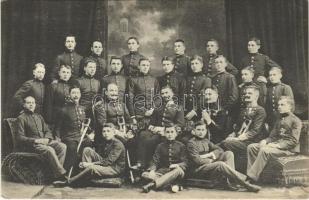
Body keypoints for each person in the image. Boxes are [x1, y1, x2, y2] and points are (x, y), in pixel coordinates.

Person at [186, 121, 261, 192]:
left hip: (208, 166)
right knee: (220, 164)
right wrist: (211, 160)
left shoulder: (206, 141)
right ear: (194, 131)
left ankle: (229, 182)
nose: (201, 132)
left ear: (206, 131)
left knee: (228, 153)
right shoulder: (191, 143)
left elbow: (219, 149)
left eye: (203, 130)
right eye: (198, 130)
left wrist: (211, 154)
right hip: (198, 170)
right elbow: (197, 161)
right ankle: (245, 184)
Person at [246, 96, 302, 183]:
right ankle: (254, 176)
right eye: (278, 105)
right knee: (251, 147)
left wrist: (277, 145)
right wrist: (265, 141)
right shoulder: (279, 119)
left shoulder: (296, 121)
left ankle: (251, 178)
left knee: (265, 150)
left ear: (290, 106)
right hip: (275, 146)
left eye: (282, 105)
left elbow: (293, 141)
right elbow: (272, 136)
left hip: (288, 150)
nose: (279, 106)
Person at [53, 123, 126, 187]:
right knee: (87, 150)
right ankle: (86, 178)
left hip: (114, 169)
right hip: (106, 164)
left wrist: (89, 164)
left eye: (108, 131)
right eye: (104, 131)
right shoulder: (106, 141)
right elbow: (101, 157)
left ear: (113, 133)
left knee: (92, 168)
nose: (106, 133)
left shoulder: (117, 144)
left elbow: (108, 162)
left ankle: (68, 182)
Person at [16, 96, 67, 182]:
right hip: (32, 145)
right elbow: (20, 137)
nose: (31, 105)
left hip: (44, 142)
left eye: (33, 103)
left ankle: (55, 174)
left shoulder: (39, 116)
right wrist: (35, 140)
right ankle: (60, 175)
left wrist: (47, 138)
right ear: (24, 105)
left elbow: (47, 130)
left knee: (62, 146)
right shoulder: (21, 118)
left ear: (35, 105)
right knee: (50, 149)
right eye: (29, 103)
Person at [136, 86, 185, 169]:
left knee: (151, 140)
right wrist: (153, 127)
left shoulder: (178, 107)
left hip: (169, 132)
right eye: (163, 93)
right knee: (143, 134)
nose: (165, 95)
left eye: (167, 93)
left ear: (172, 94)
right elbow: (152, 121)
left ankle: (148, 166)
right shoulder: (159, 107)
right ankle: (140, 162)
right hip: (156, 131)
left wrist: (163, 129)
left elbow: (180, 124)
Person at [221, 86, 266, 172]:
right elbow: (238, 127)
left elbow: (255, 131)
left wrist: (237, 139)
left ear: (256, 96)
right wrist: (233, 134)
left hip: (252, 142)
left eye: (250, 93)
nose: (246, 95)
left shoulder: (260, 111)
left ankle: (231, 173)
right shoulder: (243, 111)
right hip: (240, 141)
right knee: (224, 143)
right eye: (245, 93)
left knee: (226, 143)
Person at [55, 85, 94, 174]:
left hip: (81, 137)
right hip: (69, 137)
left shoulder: (82, 109)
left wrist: (91, 134)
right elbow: (58, 127)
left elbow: (86, 125)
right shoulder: (64, 110)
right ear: (69, 95)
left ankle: (85, 172)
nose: (76, 95)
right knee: (72, 148)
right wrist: (58, 138)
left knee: (88, 144)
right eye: (73, 93)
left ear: (80, 95)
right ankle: (69, 173)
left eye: (77, 93)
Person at [141, 125, 188, 193]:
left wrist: (177, 165)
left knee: (177, 171)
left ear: (176, 134)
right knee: (144, 174)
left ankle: (153, 184)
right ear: (165, 134)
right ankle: (170, 184)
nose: (170, 134)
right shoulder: (160, 146)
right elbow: (155, 160)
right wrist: (152, 170)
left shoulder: (181, 146)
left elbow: (185, 162)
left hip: (177, 172)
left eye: (172, 132)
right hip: (163, 172)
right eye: (167, 132)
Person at [127, 58, 160, 131]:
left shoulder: (154, 80)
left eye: (147, 65)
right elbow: (130, 99)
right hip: (138, 115)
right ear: (139, 66)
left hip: (152, 115)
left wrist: (153, 109)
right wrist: (134, 116)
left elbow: (158, 97)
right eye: (143, 65)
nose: (145, 67)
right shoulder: (133, 80)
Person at [184, 55, 211, 131]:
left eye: (196, 63)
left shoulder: (206, 79)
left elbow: (204, 98)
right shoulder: (187, 79)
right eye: (192, 64)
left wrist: (194, 110)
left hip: (199, 112)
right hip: (186, 110)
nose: (194, 66)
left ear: (201, 65)